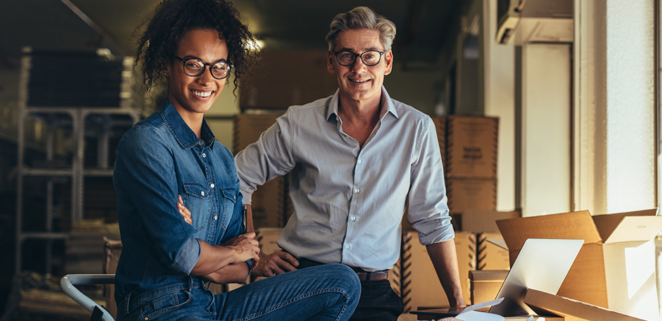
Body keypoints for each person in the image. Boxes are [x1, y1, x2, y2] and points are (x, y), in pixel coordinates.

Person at [181, 6, 465, 321]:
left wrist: (459, 305)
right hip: (302, 285)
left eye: (370, 55)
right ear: (331, 62)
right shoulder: (300, 123)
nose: (358, 68)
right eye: (347, 56)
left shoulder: (416, 129)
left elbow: (432, 218)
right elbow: (235, 179)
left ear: (388, 62)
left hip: (372, 292)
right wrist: (253, 257)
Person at [113, 1, 360, 320]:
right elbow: (183, 254)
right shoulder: (147, 143)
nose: (207, 79)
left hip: (209, 304)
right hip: (159, 307)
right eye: (193, 64)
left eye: (218, 67)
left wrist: (212, 256)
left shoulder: (222, 159)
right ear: (166, 64)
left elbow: (241, 270)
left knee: (341, 283)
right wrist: (227, 252)